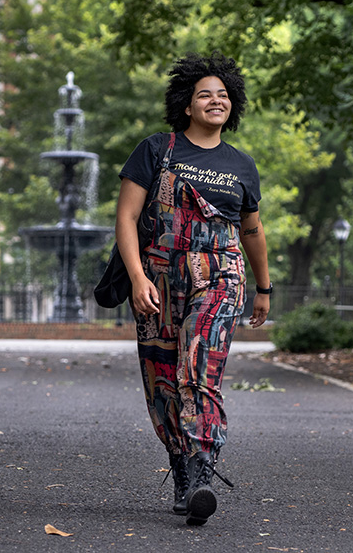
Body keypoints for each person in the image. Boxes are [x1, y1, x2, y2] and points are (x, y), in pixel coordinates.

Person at [115, 52, 271, 526]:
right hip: (161, 277)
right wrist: (138, 277)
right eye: (205, 94)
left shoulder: (242, 166)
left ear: (233, 105)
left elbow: (252, 231)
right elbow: (126, 217)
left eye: (223, 95)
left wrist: (263, 287)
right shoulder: (156, 150)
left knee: (197, 366)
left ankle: (203, 467)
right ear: (187, 104)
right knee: (162, 378)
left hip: (221, 275)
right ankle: (182, 468)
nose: (215, 100)